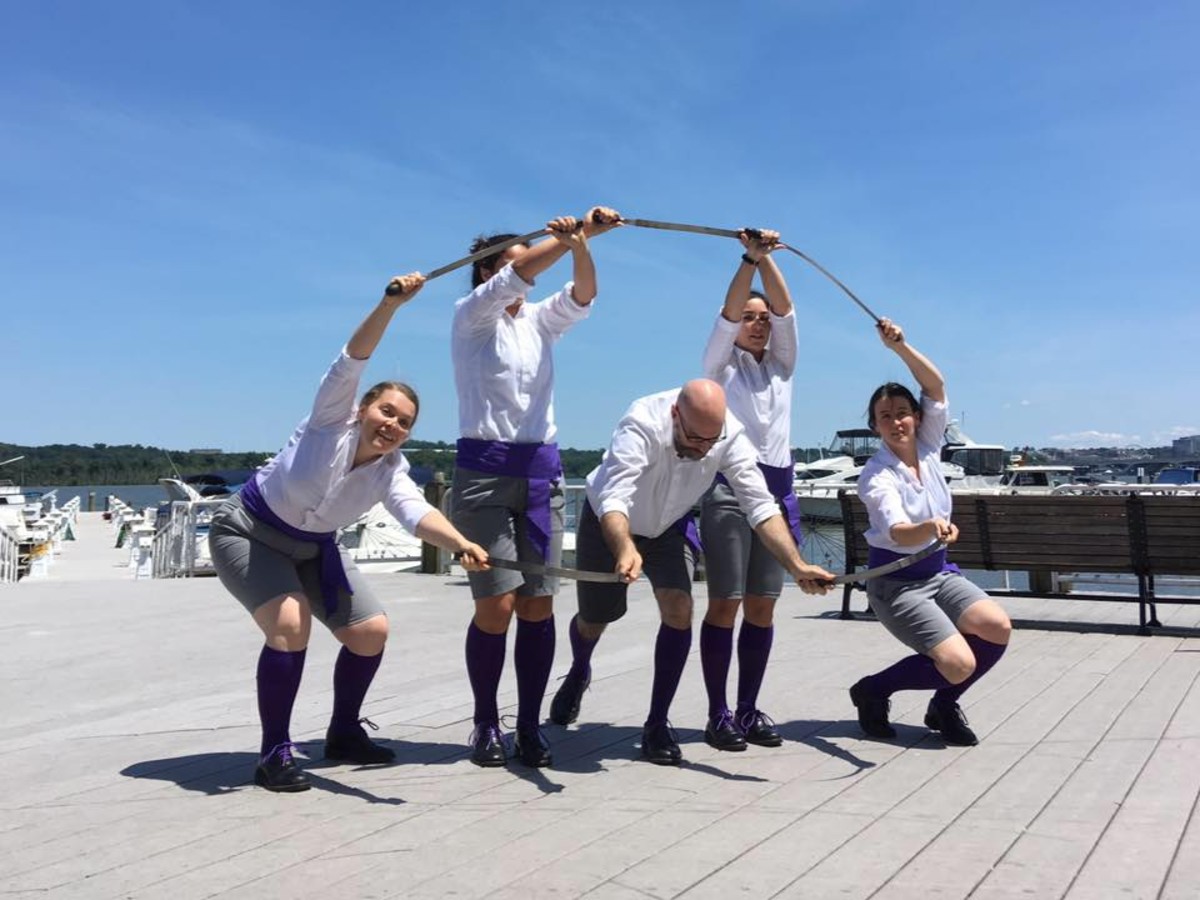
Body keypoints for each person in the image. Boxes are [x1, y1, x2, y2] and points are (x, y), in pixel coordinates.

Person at [209, 273, 490, 793]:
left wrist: (461, 544)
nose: (393, 425)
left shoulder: (391, 471)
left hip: (314, 548)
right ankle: (274, 753)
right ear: (363, 409)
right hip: (249, 531)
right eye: (386, 411)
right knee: (290, 623)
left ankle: (342, 733)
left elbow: (414, 512)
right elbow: (352, 359)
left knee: (370, 632)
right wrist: (391, 305)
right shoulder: (328, 421)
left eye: (404, 422)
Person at [549, 379, 834, 765]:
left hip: (670, 526)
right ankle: (579, 669)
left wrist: (796, 565)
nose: (703, 449)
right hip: (611, 522)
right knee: (595, 618)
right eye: (696, 438)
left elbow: (759, 505)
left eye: (711, 441)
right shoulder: (641, 421)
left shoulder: (728, 435)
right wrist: (625, 547)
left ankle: (656, 724)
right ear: (675, 415)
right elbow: (615, 496)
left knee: (679, 608)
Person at [450, 208, 621, 768]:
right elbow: (521, 273)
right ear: (488, 273)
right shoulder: (472, 316)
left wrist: (582, 246)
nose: (527, 272)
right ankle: (485, 721)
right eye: (510, 264)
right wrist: (573, 235)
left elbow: (584, 294)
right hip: (483, 474)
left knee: (538, 603)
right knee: (496, 604)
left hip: (540, 472)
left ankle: (527, 725)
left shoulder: (538, 321)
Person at [848, 319, 1012, 746]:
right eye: (885, 417)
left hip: (938, 574)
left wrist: (899, 347)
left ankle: (943, 704)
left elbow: (935, 386)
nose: (896, 422)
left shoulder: (929, 446)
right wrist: (929, 527)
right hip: (896, 585)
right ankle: (873, 690)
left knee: (996, 626)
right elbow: (899, 531)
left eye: (903, 413)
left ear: (916, 418)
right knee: (958, 663)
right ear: (875, 426)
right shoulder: (877, 476)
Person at [697, 228, 801, 752]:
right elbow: (727, 315)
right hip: (730, 489)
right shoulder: (719, 366)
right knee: (726, 603)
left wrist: (768, 259)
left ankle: (747, 708)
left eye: (763, 319)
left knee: (762, 607)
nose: (758, 324)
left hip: (777, 492)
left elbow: (787, 311)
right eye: (748, 317)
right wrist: (748, 261)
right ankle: (717, 712)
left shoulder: (782, 366)